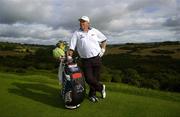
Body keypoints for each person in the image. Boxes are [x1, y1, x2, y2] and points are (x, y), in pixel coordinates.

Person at [67, 16, 107, 102]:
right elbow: (71, 47)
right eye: (80, 22)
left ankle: (92, 95)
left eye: (83, 22)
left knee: (95, 79)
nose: (81, 23)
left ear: (88, 23)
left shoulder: (94, 31)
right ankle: (101, 87)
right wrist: (69, 56)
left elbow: (104, 40)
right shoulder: (77, 33)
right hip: (85, 60)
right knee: (89, 79)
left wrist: (103, 50)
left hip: (97, 58)